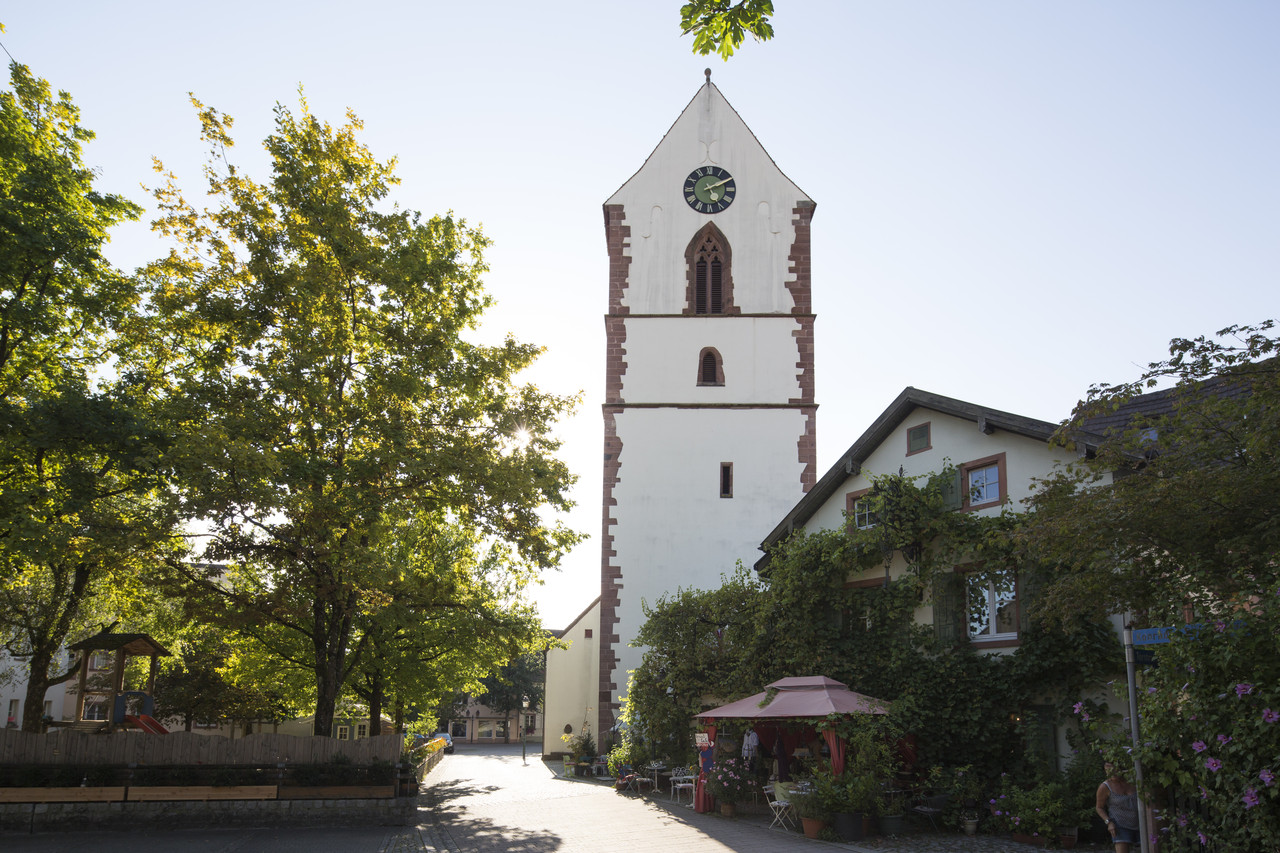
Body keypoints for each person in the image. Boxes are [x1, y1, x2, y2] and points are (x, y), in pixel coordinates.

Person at [1096, 760, 1140, 852]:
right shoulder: (1105, 787)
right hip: (1119, 824)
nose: (1111, 773)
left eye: (1114, 769)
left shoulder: (1132, 781)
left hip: (1139, 822)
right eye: (1107, 770)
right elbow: (1099, 808)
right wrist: (1109, 822)